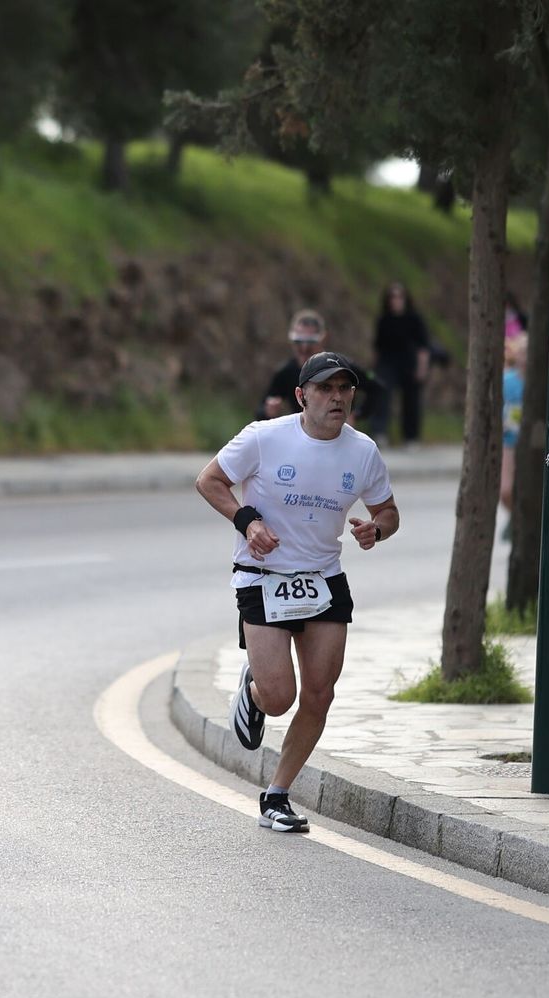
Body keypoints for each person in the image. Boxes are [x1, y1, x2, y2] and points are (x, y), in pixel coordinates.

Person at [195, 352, 401, 833]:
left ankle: (278, 794)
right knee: (280, 696)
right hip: (262, 574)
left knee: (320, 694)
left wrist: (377, 529)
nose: (337, 398)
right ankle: (254, 689)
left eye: (345, 389)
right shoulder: (264, 438)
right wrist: (248, 522)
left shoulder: (362, 450)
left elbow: (389, 510)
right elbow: (209, 480)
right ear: (301, 395)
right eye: (326, 389)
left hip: (324, 577)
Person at [256, 309, 383, 426]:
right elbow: (261, 410)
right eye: (298, 342)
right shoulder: (286, 372)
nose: (304, 348)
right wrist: (268, 411)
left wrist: (356, 415)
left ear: (323, 339)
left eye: (310, 342)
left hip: (339, 434)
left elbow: (375, 387)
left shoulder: (340, 365)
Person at [370, 282, 433, 447]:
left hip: (409, 362)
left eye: (399, 297)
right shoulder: (384, 319)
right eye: (392, 297)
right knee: (382, 396)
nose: (396, 300)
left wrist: (422, 368)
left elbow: (423, 347)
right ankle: (380, 432)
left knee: (411, 400)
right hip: (387, 363)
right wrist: (373, 370)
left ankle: (411, 437)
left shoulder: (414, 319)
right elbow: (377, 347)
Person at [500, 316, 526, 520]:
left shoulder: (540, 383)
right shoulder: (507, 381)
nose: (525, 358)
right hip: (509, 440)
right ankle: (516, 519)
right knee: (506, 490)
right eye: (522, 352)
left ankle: (524, 522)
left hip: (532, 443)